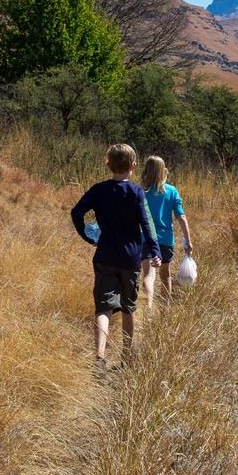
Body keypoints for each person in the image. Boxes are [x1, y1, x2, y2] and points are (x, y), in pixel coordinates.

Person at [70, 144, 160, 371]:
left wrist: (86, 236)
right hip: (131, 258)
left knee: (103, 308)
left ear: (108, 164)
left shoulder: (99, 190)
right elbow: (147, 224)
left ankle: (99, 357)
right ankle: (127, 358)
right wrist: (155, 250)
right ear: (133, 167)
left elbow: (76, 212)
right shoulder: (137, 192)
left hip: (105, 255)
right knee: (129, 308)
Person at [139, 155, 194, 310]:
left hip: (145, 239)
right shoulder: (171, 191)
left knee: (148, 275)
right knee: (165, 275)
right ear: (163, 171)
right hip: (165, 240)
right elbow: (181, 217)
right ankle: (165, 311)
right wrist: (187, 240)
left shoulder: (141, 191)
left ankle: (147, 308)